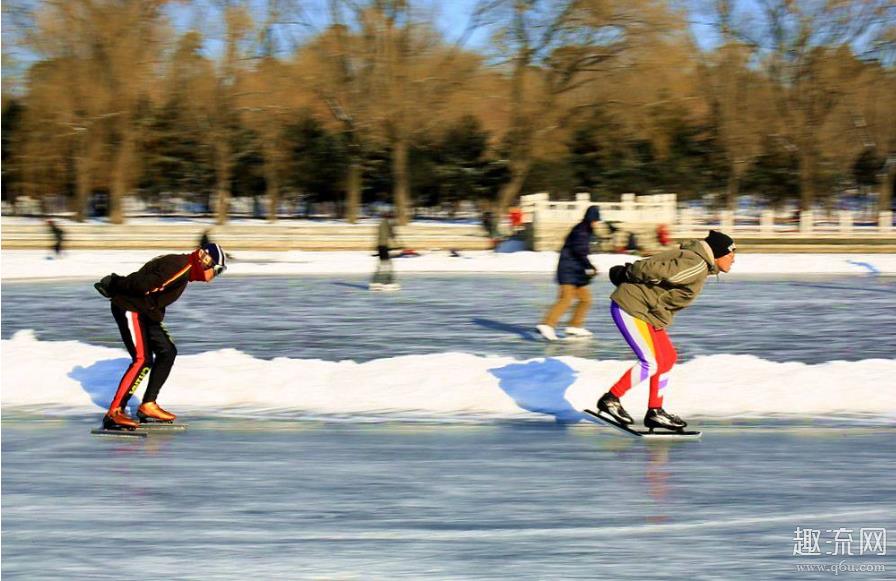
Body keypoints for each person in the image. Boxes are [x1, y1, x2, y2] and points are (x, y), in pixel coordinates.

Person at [595, 230, 736, 431]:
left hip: (647, 313)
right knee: (650, 362)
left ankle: (655, 411)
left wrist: (629, 272)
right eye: (731, 253)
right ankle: (611, 399)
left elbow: (659, 268)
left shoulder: (695, 261)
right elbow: (662, 272)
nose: (733, 259)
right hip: (632, 308)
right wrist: (629, 273)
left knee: (667, 357)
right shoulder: (696, 265)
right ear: (719, 253)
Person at [93, 243, 227, 430]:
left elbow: (151, 287)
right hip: (130, 307)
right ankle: (115, 412)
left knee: (167, 351)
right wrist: (115, 284)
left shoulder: (184, 268)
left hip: (145, 312)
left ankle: (148, 405)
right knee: (142, 359)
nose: (215, 277)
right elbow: (142, 284)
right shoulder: (180, 267)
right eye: (218, 270)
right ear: (206, 261)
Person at [536, 205, 601, 341]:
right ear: (591, 218)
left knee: (585, 299)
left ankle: (574, 326)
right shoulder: (581, 230)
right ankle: (547, 324)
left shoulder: (585, 229)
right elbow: (579, 250)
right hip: (569, 270)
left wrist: (587, 267)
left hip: (576, 272)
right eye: (596, 219)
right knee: (566, 299)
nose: (597, 222)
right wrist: (588, 266)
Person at [371, 211, 398, 288]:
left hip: (382, 246)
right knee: (386, 264)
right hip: (383, 246)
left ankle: (377, 282)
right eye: (392, 217)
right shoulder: (385, 224)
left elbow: (387, 234)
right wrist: (393, 233)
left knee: (384, 264)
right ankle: (386, 282)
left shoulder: (384, 223)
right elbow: (388, 234)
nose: (393, 219)